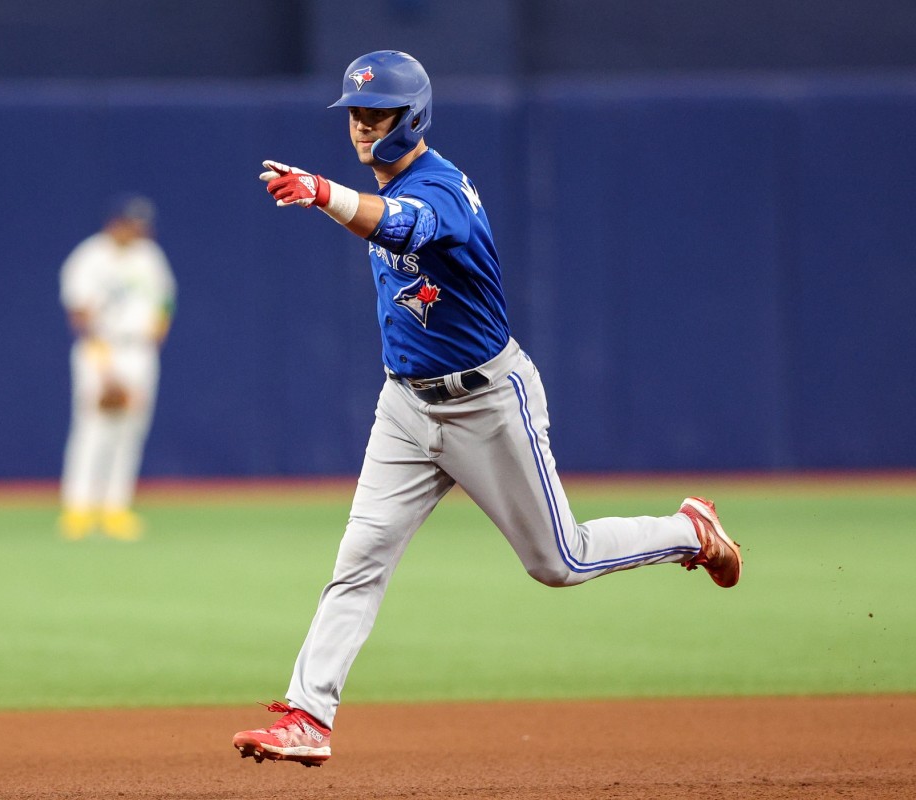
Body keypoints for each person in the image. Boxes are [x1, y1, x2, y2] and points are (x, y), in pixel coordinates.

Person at [231, 50, 742, 767]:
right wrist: (332, 197)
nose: (360, 127)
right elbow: (378, 220)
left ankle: (688, 529)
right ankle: (309, 717)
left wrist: (322, 193)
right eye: (353, 114)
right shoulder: (386, 183)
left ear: (413, 118)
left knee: (560, 561)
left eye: (374, 115)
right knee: (360, 559)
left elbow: (400, 227)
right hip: (405, 407)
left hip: (487, 404)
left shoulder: (443, 193)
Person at [58, 194, 176, 541]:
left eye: (142, 225)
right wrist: (106, 370)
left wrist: (151, 341)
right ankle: (78, 508)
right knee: (93, 427)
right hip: (100, 348)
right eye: (131, 224)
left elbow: (165, 302)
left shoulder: (149, 257)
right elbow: (79, 314)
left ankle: (115, 507)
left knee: (131, 430)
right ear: (116, 223)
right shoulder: (90, 257)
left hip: (137, 350)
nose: (138, 231)